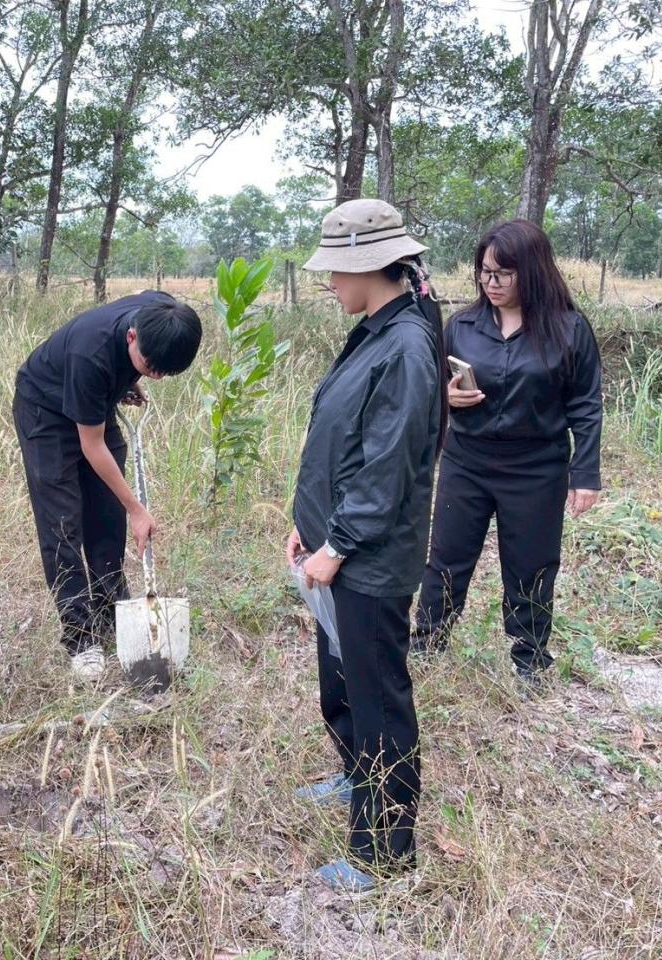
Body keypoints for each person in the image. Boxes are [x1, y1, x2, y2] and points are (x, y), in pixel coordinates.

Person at [286, 199, 448, 892]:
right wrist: (311, 522)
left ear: (369, 267)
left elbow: (386, 468)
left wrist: (339, 544)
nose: (329, 284)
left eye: (336, 272)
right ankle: (355, 774)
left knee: (379, 698)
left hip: (369, 559)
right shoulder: (375, 329)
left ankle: (384, 853)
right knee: (341, 677)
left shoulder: (407, 346)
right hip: (337, 545)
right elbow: (341, 440)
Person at [412, 219, 603, 682]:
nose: (490, 283)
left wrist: (585, 473)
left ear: (532, 271)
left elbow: (586, 404)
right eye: (483, 272)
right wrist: (448, 397)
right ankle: (426, 645)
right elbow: (436, 385)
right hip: (468, 461)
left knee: (532, 565)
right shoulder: (461, 325)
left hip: (536, 468)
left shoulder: (568, 329)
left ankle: (530, 659)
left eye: (503, 274)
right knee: (447, 558)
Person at [13, 291, 202, 679]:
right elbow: (92, 444)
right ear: (132, 337)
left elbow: (133, 369)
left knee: (107, 514)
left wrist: (125, 380)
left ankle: (111, 611)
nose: (157, 376)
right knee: (62, 522)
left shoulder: (164, 315)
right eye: (151, 367)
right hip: (44, 412)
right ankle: (81, 637)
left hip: (91, 400)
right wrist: (138, 508)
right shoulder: (90, 355)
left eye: (165, 373)